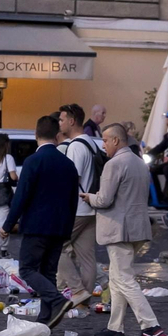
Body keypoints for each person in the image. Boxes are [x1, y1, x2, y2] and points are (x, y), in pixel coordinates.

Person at [83, 123, 160, 336]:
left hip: (119, 230)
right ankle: (115, 327)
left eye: (105, 141)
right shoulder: (138, 162)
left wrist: (90, 197)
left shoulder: (114, 164)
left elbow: (105, 200)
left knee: (123, 278)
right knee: (116, 278)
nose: (103, 145)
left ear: (116, 140)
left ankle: (150, 324)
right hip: (137, 228)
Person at [0, 115, 78, 328]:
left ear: (36, 135)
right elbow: (73, 201)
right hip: (60, 226)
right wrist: (67, 228)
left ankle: (57, 300)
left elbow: (21, 196)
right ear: (57, 136)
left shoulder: (33, 162)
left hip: (36, 225)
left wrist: (7, 225)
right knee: (48, 272)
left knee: (27, 269)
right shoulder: (68, 164)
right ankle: (47, 317)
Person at [56, 103, 100, 307]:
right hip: (91, 207)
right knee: (88, 256)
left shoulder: (74, 146)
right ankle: (84, 301)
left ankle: (78, 290)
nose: (60, 123)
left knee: (55, 247)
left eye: (62, 119)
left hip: (76, 208)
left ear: (72, 121)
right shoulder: (92, 143)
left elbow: (71, 180)